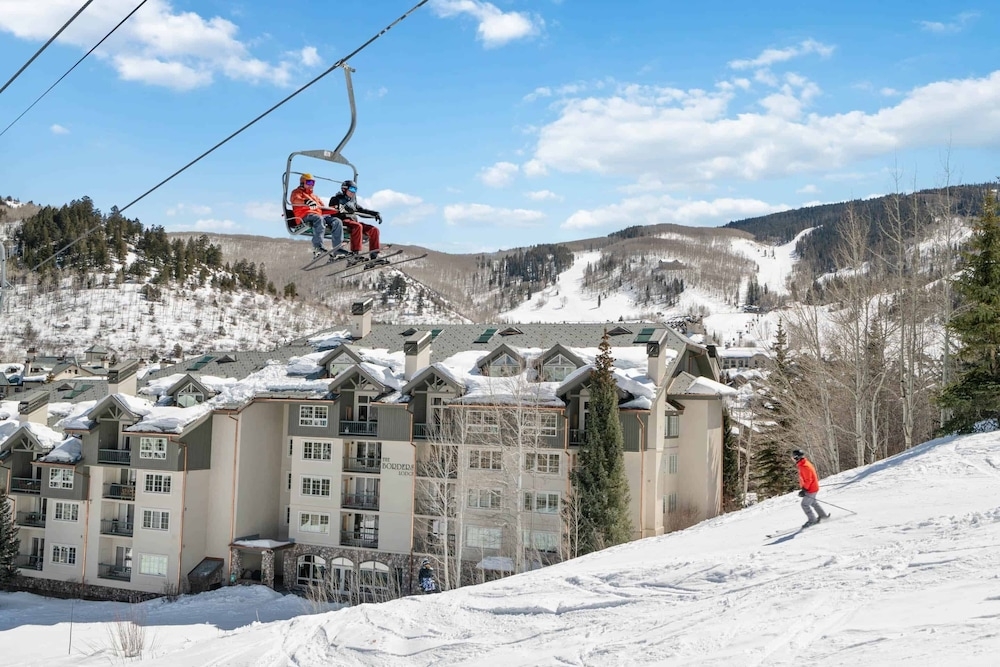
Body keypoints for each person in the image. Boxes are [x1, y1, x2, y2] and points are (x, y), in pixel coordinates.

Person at [328, 179, 387, 265]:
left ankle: (374, 256)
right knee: (358, 226)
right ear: (344, 189)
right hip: (343, 220)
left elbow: (362, 210)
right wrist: (342, 209)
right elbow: (332, 210)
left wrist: (375, 213)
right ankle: (355, 254)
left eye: (355, 190)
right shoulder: (336, 199)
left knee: (374, 230)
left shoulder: (353, 202)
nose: (353, 192)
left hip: (353, 222)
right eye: (351, 189)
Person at [289, 173, 346, 258]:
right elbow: (295, 200)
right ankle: (318, 247)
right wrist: (306, 201)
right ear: (302, 183)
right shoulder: (296, 192)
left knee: (337, 221)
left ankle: (338, 249)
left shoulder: (315, 197)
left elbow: (322, 208)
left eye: (313, 183)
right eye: (309, 183)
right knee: (319, 219)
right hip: (305, 216)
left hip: (318, 216)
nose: (311, 185)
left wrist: (335, 209)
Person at [794, 449, 830, 528]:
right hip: (813, 487)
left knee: (804, 504)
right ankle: (823, 516)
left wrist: (804, 489)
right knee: (813, 502)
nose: (793, 459)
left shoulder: (804, 466)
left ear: (797, 457)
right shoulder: (804, 463)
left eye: (794, 457)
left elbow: (808, 480)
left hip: (811, 488)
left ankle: (812, 520)